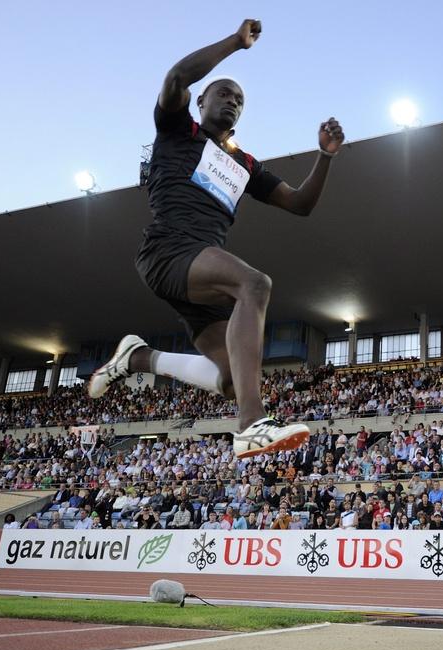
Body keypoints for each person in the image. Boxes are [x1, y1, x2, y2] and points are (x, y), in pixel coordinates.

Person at [87, 19, 345, 458]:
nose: (232, 101)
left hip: (200, 272)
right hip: (168, 251)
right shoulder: (177, 131)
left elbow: (300, 203)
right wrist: (236, 44)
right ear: (201, 99)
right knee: (255, 283)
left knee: (230, 379)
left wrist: (324, 157)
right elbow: (175, 78)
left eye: (239, 100)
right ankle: (250, 424)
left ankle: (138, 359)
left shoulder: (244, 164)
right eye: (223, 93)